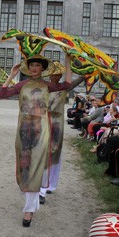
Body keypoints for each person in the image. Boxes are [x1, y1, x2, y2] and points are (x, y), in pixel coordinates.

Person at [0, 54, 76, 227]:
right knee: (24, 165)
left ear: (42, 69)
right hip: (24, 130)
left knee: (37, 166)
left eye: (37, 66)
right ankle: (29, 199)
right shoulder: (22, 85)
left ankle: (29, 210)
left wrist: (68, 61)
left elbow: (68, 84)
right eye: (31, 65)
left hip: (41, 131)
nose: (34, 68)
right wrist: (11, 75)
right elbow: (2, 94)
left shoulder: (47, 86)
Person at [39, 61, 83, 204]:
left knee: (54, 153)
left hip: (57, 125)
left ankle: (50, 184)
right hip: (43, 122)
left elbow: (77, 80)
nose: (55, 77)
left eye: (58, 74)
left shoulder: (65, 87)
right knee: (42, 152)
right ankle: (40, 186)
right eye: (53, 74)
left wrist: (88, 73)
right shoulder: (43, 86)